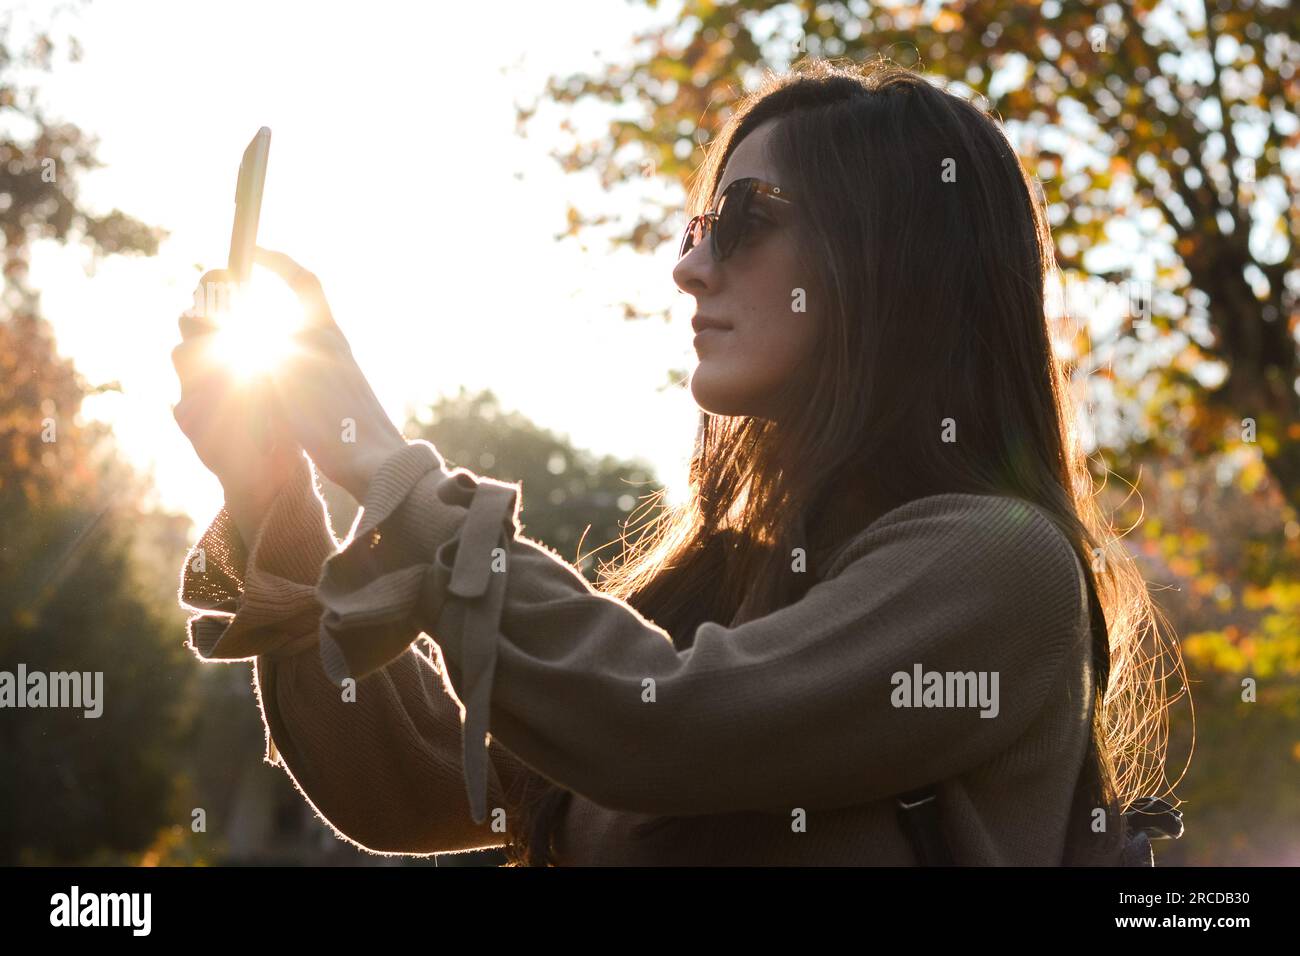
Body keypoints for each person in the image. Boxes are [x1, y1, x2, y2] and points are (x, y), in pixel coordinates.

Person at [173, 57, 1184, 866]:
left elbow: (660, 731)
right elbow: (415, 783)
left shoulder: (996, 563)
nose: (690, 265)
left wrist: (375, 452)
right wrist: (275, 505)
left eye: (744, 219)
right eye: (699, 227)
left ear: (891, 259)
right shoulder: (729, 584)